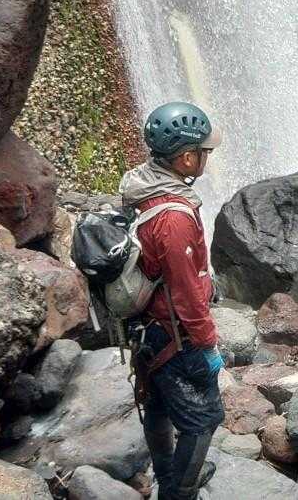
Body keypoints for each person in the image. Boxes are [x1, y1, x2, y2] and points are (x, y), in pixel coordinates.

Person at [119, 101, 226, 500]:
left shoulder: (144, 186)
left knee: (159, 403)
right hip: (174, 334)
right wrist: (207, 344)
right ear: (185, 158)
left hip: (149, 329)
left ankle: (167, 475)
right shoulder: (174, 218)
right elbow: (185, 293)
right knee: (203, 419)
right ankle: (179, 492)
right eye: (203, 151)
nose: (207, 157)